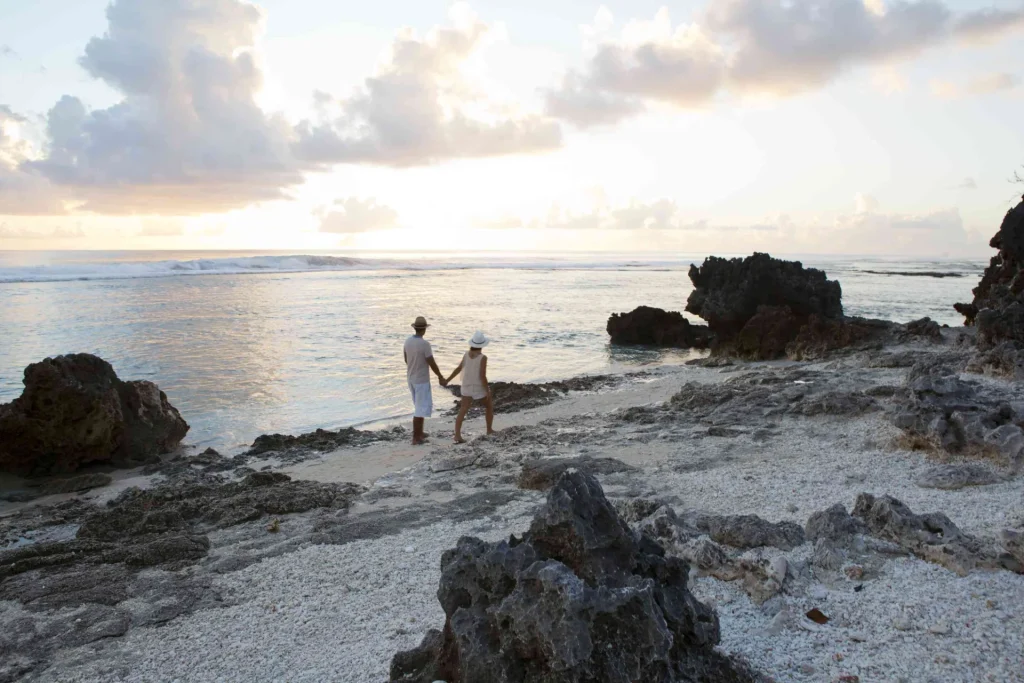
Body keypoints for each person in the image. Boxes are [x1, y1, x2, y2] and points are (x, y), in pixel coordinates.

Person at [444, 331, 495, 444]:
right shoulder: (483, 357)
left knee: (463, 410)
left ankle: (457, 435)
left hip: (466, 386)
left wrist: (448, 380)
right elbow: (482, 375)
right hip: (477, 387)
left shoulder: (466, 354)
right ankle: (489, 430)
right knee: (489, 406)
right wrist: (487, 390)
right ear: (482, 345)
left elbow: (458, 369)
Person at [404, 316, 447, 445]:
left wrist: (413, 367)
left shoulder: (408, 341)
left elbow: (406, 358)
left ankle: (420, 432)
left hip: (411, 377)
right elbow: (431, 362)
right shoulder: (425, 344)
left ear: (415, 328)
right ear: (424, 330)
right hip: (421, 379)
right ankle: (416, 438)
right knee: (420, 408)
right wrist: (440, 376)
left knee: (419, 406)